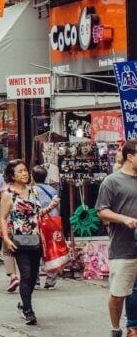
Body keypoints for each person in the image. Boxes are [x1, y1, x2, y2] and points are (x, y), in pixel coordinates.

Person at [96, 139, 137, 337]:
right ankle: (116, 329)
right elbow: (101, 211)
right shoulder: (112, 181)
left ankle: (134, 327)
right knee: (119, 293)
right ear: (131, 156)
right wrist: (124, 219)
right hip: (123, 247)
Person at [0, 160, 44, 326]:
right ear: (12, 175)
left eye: (25, 171)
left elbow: (38, 214)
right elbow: (3, 218)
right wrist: (6, 238)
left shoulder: (34, 191)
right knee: (25, 274)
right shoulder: (8, 194)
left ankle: (23, 303)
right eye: (20, 172)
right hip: (18, 240)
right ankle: (28, 311)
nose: (25, 174)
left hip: (36, 239)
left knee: (33, 276)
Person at [32, 164, 63, 290]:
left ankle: (36, 279)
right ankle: (51, 280)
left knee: (36, 251)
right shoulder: (53, 190)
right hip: (52, 223)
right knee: (51, 250)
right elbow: (58, 208)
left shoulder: (32, 190)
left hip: (38, 223)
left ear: (33, 177)